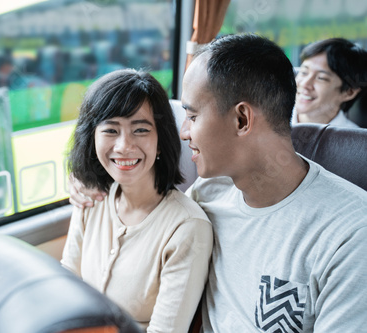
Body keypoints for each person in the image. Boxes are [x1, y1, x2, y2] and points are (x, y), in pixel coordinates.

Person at [70, 34, 367, 332]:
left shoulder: (351, 235)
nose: (184, 132)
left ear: (241, 120)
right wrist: (86, 183)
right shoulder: (208, 195)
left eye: (192, 116)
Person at [61, 69, 213, 332]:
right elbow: (66, 287)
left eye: (140, 130)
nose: (123, 146)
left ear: (160, 140)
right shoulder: (90, 198)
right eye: (110, 130)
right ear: (92, 138)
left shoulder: (187, 227)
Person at [293, 37, 367, 128]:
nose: (305, 84)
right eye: (304, 72)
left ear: (349, 92)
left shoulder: (356, 140)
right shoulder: (272, 121)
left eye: (321, 78)